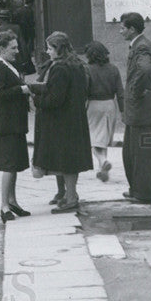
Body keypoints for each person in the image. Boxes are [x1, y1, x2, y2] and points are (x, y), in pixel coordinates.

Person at [31, 31, 93, 213]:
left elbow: (55, 99)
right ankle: (68, 194)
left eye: (50, 48)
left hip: (62, 121)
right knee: (70, 158)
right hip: (75, 118)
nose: (48, 52)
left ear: (59, 49)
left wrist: (36, 99)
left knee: (66, 160)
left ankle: (71, 198)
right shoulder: (78, 65)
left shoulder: (60, 69)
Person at [0, 30, 32, 221]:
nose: (17, 51)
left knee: (14, 164)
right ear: (2, 48)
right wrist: (20, 89)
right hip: (6, 123)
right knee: (8, 165)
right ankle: (4, 205)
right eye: (13, 48)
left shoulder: (7, 64)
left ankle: (12, 201)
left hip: (13, 121)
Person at [120, 12, 151, 204]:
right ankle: (137, 189)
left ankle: (144, 194)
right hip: (138, 111)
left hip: (141, 111)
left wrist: (134, 93)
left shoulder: (141, 46)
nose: (120, 31)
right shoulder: (139, 44)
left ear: (132, 29)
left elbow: (144, 70)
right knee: (132, 153)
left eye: (122, 28)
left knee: (141, 154)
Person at [84, 41, 125, 182]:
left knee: (94, 139)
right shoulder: (113, 69)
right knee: (103, 138)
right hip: (110, 105)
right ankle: (102, 170)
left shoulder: (87, 69)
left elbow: (84, 90)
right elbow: (120, 92)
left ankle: (102, 161)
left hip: (94, 105)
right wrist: (123, 110)